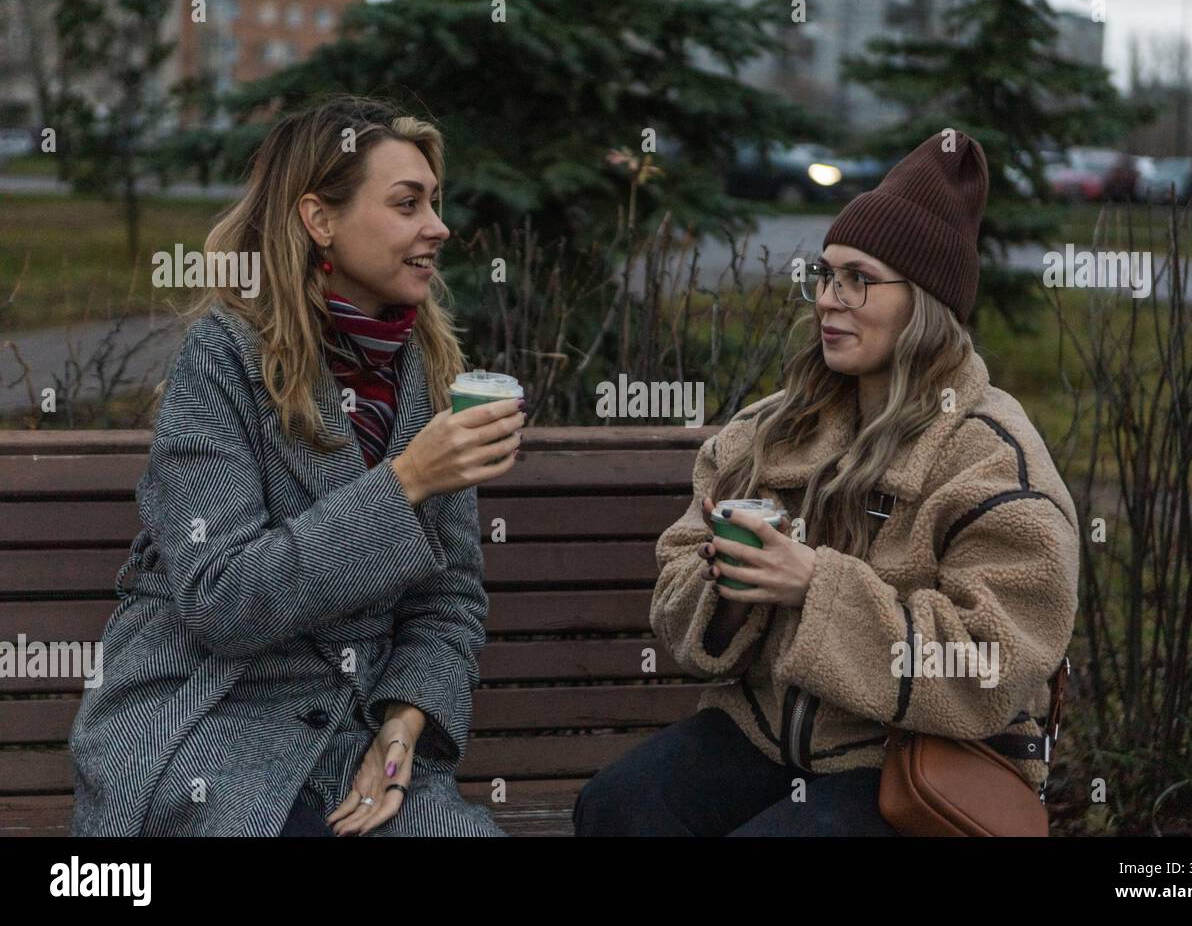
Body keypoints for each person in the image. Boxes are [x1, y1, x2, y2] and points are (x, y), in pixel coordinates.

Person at [573, 130, 1080, 836]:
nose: (829, 300)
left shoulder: (989, 457)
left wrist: (815, 586)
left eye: (859, 280)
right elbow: (675, 596)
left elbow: (994, 659)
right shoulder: (769, 429)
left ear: (925, 302)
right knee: (617, 809)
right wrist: (729, 582)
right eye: (825, 274)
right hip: (764, 733)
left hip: (911, 759)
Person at [67, 97, 525, 836]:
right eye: (408, 204)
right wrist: (405, 482)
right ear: (320, 220)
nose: (437, 228)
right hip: (211, 719)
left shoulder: (431, 376)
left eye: (435, 203)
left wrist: (402, 733)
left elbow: (450, 602)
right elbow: (222, 599)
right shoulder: (222, 360)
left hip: (355, 732)